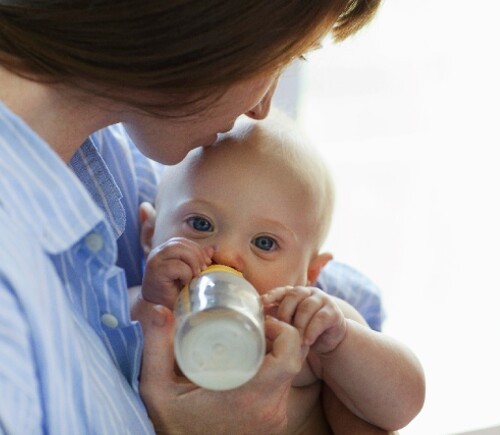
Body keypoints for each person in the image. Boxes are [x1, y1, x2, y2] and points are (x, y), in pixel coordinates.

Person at [0, 1, 392, 434]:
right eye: (278, 57)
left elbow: (357, 308)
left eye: (262, 243)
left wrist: (341, 344)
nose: (261, 108)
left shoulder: (118, 151)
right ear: (217, 19)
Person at [136, 112, 426, 433]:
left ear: (310, 273)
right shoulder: (138, 308)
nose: (227, 255)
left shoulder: (307, 328)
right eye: (201, 224)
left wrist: (339, 342)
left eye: (264, 242)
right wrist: (156, 304)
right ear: (149, 234)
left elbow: (403, 406)